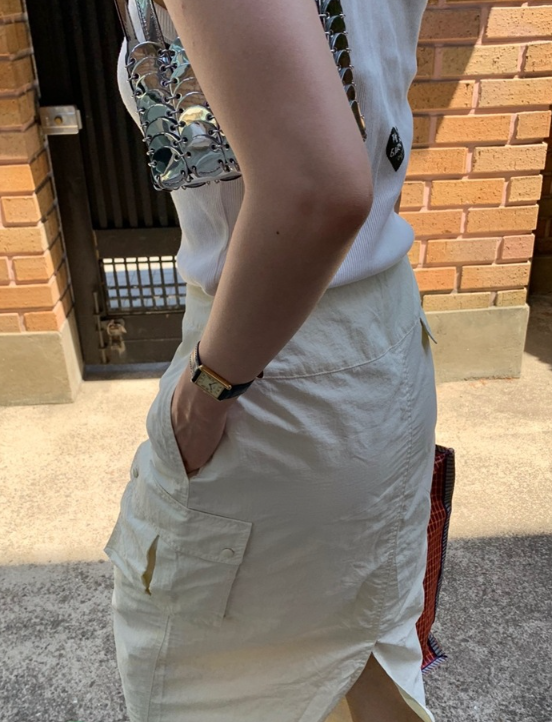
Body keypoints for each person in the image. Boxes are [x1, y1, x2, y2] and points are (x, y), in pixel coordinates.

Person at [104, 1, 438, 721]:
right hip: (376, 335)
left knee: (197, 688)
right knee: (363, 673)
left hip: (268, 365)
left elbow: (315, 188)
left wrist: (204, 394)